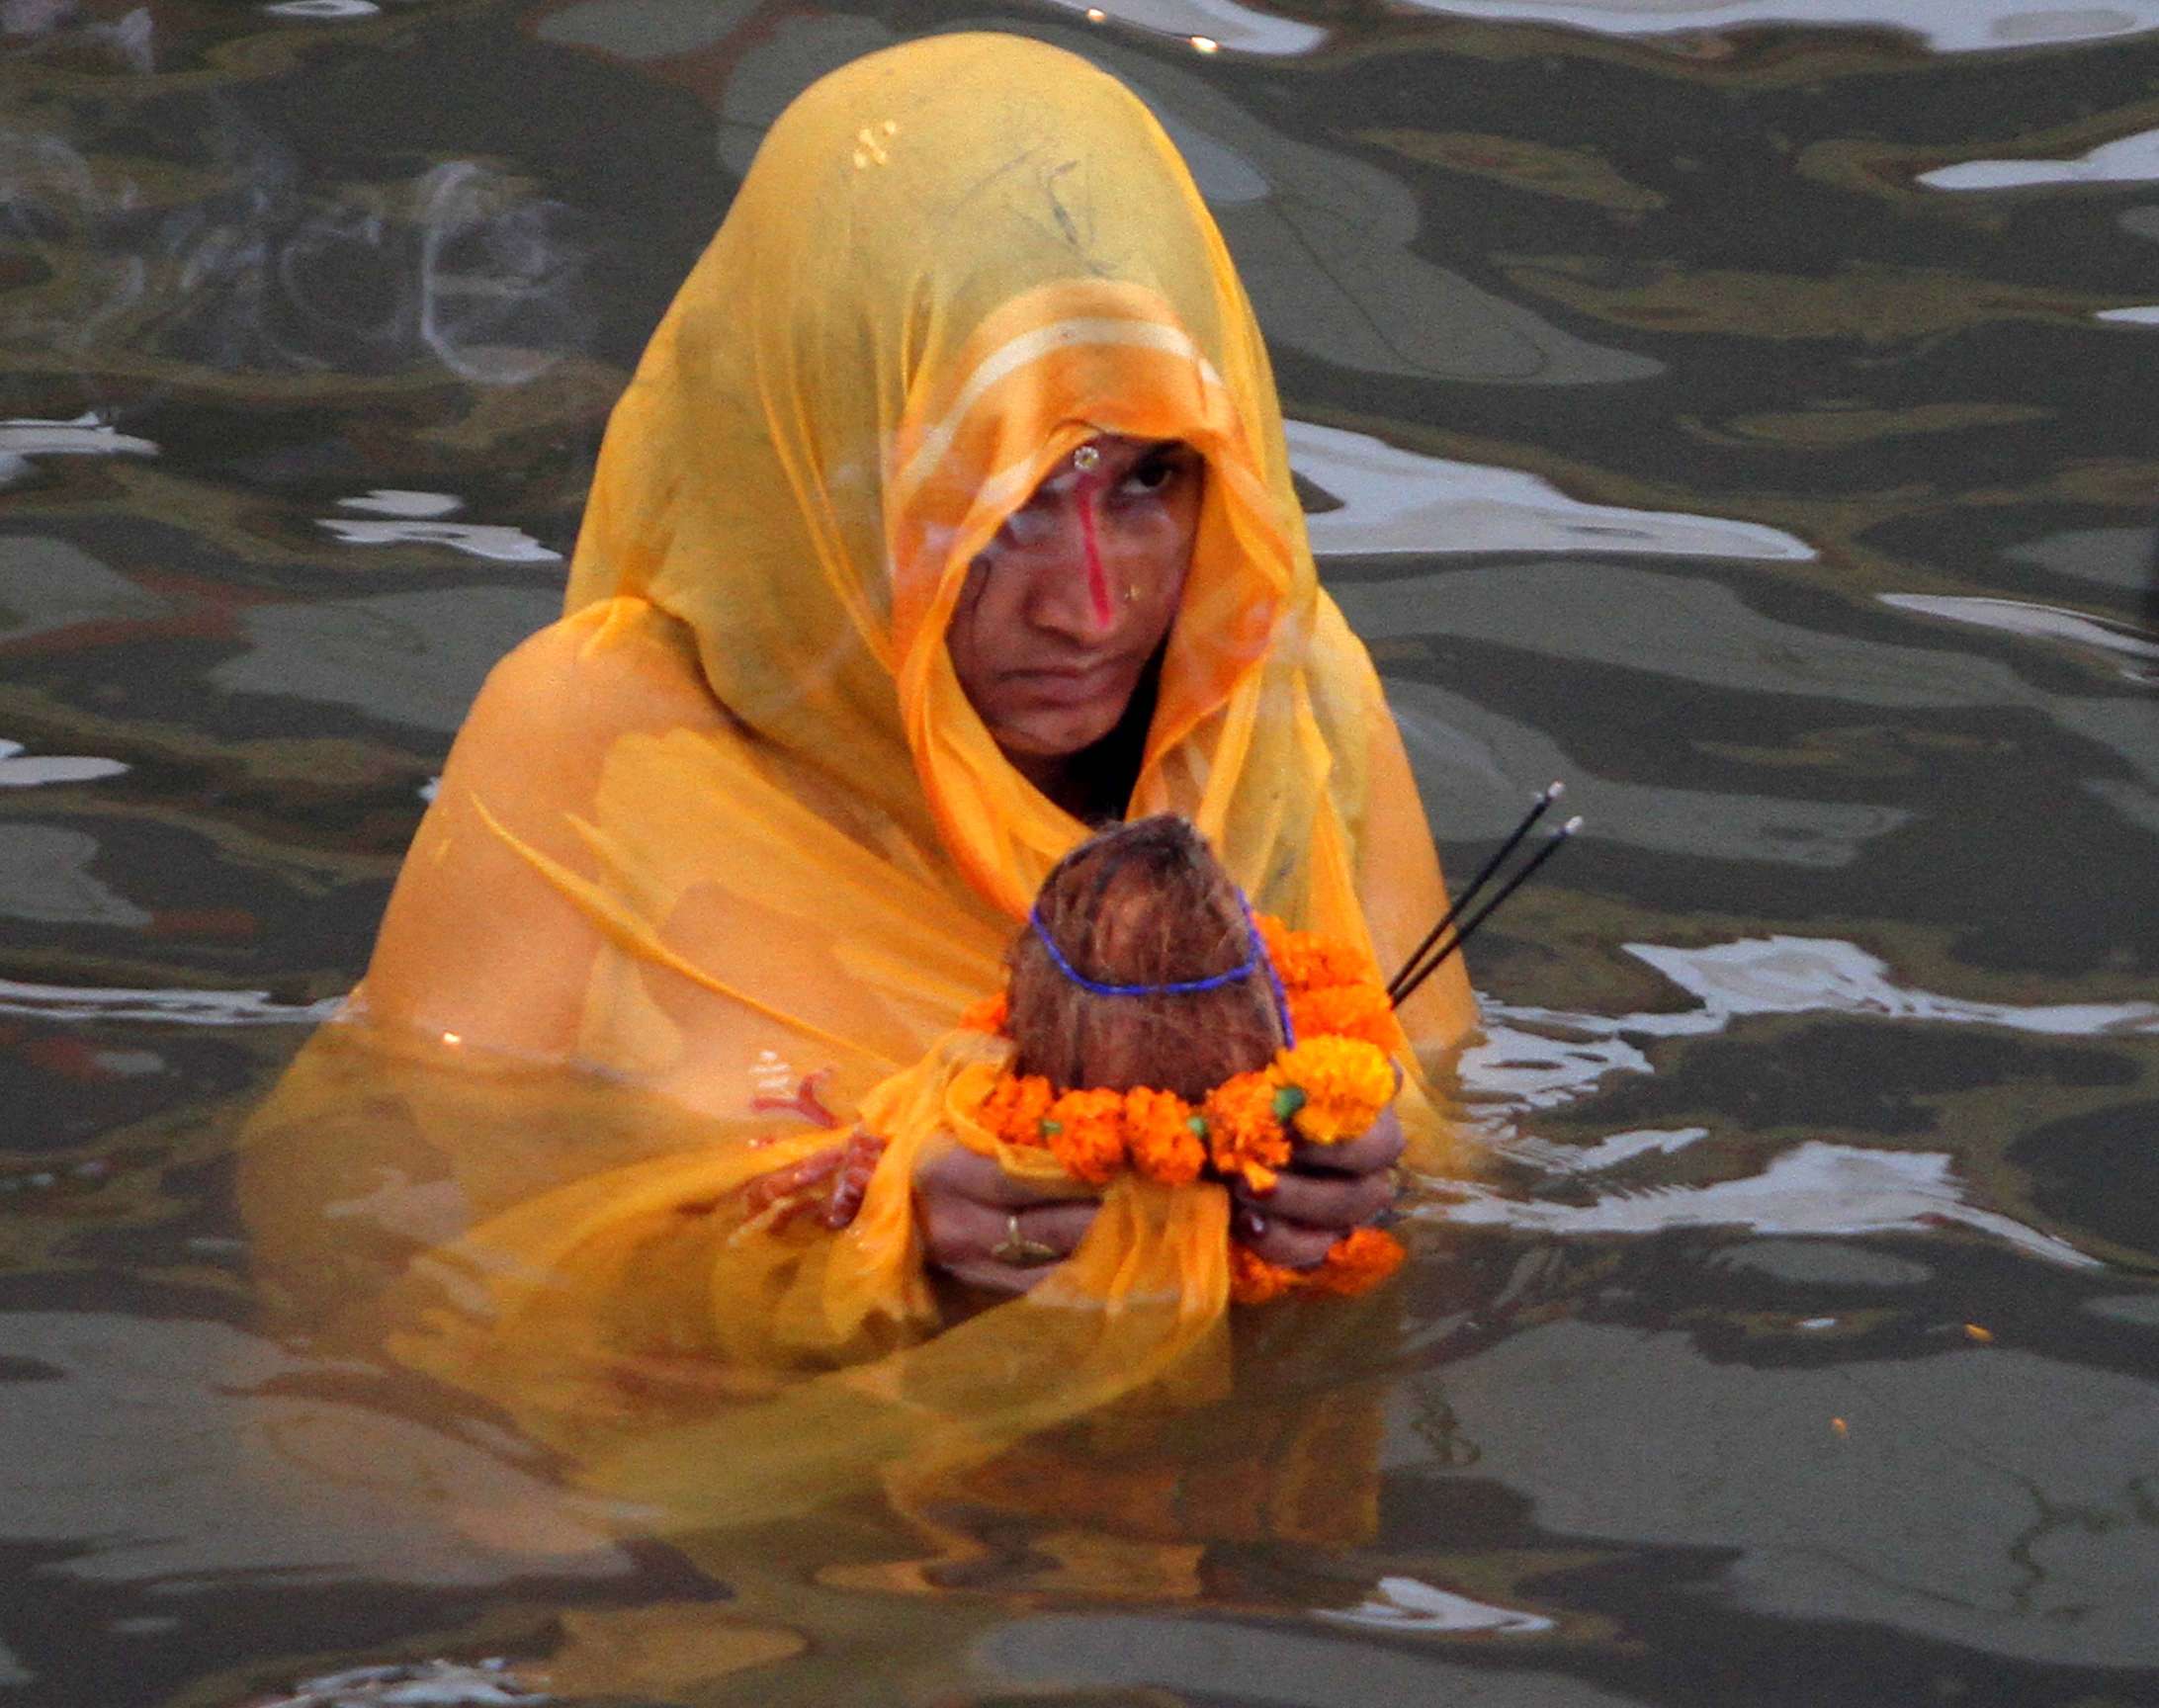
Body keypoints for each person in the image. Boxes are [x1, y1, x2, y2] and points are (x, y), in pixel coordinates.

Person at [244, 31, 1478, 1521]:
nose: (1091, 606)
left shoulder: (1291, 711)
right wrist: (856, 1235)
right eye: (1004, 502)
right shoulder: (598, 746)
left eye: (1149, 480)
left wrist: (1370, 1186)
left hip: (1201, 1554)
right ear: (823, 463)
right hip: (732, 1542)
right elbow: (376, 1252)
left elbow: (1465, 1145)